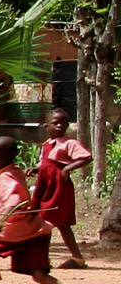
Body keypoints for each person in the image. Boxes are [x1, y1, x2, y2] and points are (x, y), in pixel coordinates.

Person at [0, 136, 92, 284]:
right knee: (39, 274)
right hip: (35, 232)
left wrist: (2, 220)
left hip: (13, 233)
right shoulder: (14, 172)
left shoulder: (6, 178)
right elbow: (11, 189)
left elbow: (14, 201)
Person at [29, 108, 92, 269]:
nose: (59, 126)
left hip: (58, 186)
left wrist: (67, 169)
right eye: (55, 123)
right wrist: (36, 169)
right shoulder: (47, 144)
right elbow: (46, 164)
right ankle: (48, 257)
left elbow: (86, 157)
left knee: (56, 221)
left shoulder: (69, 143)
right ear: (46, 126)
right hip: (46, 186)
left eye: (63, 123)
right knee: (45, 219)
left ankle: (72, 258)